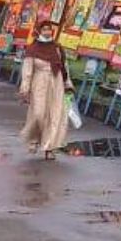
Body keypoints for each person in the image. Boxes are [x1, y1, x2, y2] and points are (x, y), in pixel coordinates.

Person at [19, 22, 73, 159]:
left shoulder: (57, 48)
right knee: (38, 114)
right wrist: (25, 88)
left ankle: (50, 147)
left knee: (55, 115)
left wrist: (67, 83)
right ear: (39, 31)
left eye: (49, 30)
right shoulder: (32, 49)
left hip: (56, 82)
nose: (47, 32)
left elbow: (64, 67)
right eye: (44, 29)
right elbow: (27, 70)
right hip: (39, 83)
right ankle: (34, 139)